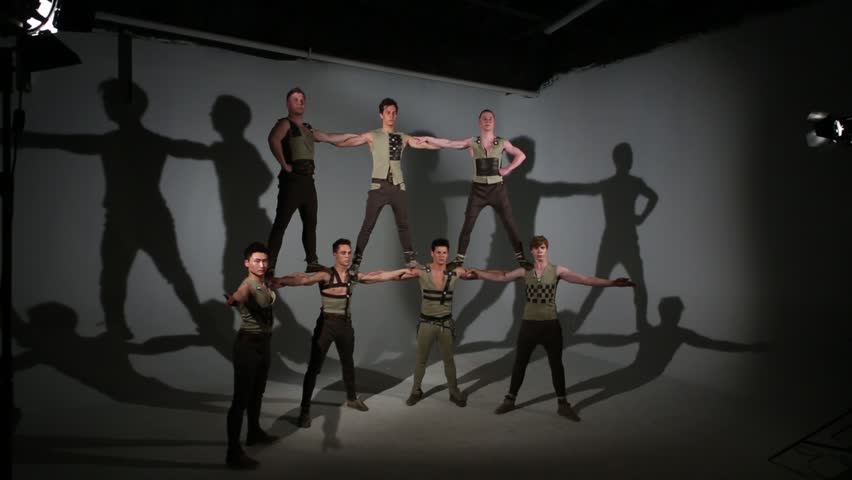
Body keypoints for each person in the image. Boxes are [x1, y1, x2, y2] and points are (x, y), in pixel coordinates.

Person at [465, 235, 634, 420]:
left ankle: (563, 404)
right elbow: (503, 275)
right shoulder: (525, 271)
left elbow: (584, 279)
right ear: (531, 251)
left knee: (556, 365)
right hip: (529, 325)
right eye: (536, 248)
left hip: (550, 326)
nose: (539, 251)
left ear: (547, 249)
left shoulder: (557, 270)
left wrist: (611, 283)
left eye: (543, 247)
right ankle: (510, 400)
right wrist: (478, 273)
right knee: (520, 363)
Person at [271, 238, 411, 428]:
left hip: (345, 325)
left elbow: (379, 276)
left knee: (348, 362)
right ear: (335, 254)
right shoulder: (326, 275)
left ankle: (352, 398)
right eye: (343, 253)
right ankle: (304, 412)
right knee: (314, 369)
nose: (347, 256)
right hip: (326, 325)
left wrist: (410, 273)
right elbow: (303, 278)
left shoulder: (353, 276)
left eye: (349, 253)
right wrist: (282, 281)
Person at [335, 98, 440, 274]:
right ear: (381, 115)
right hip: (379, 187)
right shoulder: (372, 135)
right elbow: (345, 141)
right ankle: (356, 263)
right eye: (387, 112)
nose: (391, 116)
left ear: (396, 115)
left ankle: (411, 260)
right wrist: (320, 137)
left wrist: (448, 144)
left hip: (398, 186)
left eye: (393, 112)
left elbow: (424, 145)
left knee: (404, 224)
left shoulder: (403, 137)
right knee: (368, 225)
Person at [223, 242, 300, 469]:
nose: (261, 264)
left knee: (257, 392)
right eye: (256, 260)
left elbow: (288, 280)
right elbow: (239, 294)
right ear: (247, 263)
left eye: (265, 260)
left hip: (264, 345)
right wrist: (233, 300)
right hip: (248, 345)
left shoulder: (265, 282)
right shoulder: (247, 284)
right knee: (241, 400)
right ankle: (233, 452)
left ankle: (254, 432)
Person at [423, 109, 532, 270]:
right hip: (478, 190)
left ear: (494, 123)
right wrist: (427, 139)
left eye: (490, 119)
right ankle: (459, 260)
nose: (487, 121)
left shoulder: (502, 142)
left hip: (497, 190)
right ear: (479, 123)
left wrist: (508, 169)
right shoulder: (472, 142)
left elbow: (521, 155)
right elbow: (448, 143)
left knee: (510, 224)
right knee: (468, 225)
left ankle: (522, 260)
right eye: (484, 119)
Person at [266, 87, 358, 275]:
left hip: (308, 182)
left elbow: (332, 138)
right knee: (281, 223)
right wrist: (284, 165)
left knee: (310, 222)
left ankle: (312, 262)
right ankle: (270, 266)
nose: (299, 102)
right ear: (288, 104)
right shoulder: (285, 123)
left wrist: (361, 137)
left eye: (302, 99)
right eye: (295, 99)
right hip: (292, 181)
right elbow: (273, 140)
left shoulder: (308, 129)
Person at [374, 238, 472, 407]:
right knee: (421, 360)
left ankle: (454, 392)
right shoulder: (423, 270)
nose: (442, 256)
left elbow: (481, 274)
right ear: (432, 253)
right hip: (427, 323)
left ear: (448, 254)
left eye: (445, 253)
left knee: (449, 360)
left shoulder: (455, 272)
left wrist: (511, 275)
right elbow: (396, 276)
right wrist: (376, 276)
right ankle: (416, 391)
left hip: (445, 325)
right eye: (438, 252)